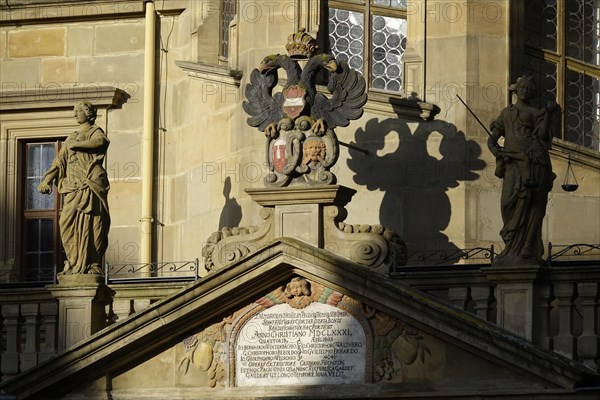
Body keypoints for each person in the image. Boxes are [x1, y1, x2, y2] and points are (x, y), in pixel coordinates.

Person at [488, 76, 558, 264]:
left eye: (529, 88)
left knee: (533, 205)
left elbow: (542, 136)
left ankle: (526, 247)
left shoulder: (537, 112)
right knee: (507, 202)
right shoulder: (507, 113)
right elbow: (493, 138)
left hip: (535, 161)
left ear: (532, 92)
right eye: (522, 87)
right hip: (512, 162)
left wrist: (548, 115)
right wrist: (495, 149)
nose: (525, 90)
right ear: (516, 90)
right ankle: (512, 243)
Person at [38, 101, 110, 275]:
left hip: (90, 183)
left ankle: (91, 263)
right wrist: (46, 180)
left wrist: (77, 145)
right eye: (75, 111)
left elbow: (100, 143)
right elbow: (59, 161)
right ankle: (73, 262)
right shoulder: (71, 137)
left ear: (87, 113)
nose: (75, 114)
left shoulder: (95, 132)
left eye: (78, 111)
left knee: (92, 223)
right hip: (72, 186)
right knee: (66, 223)